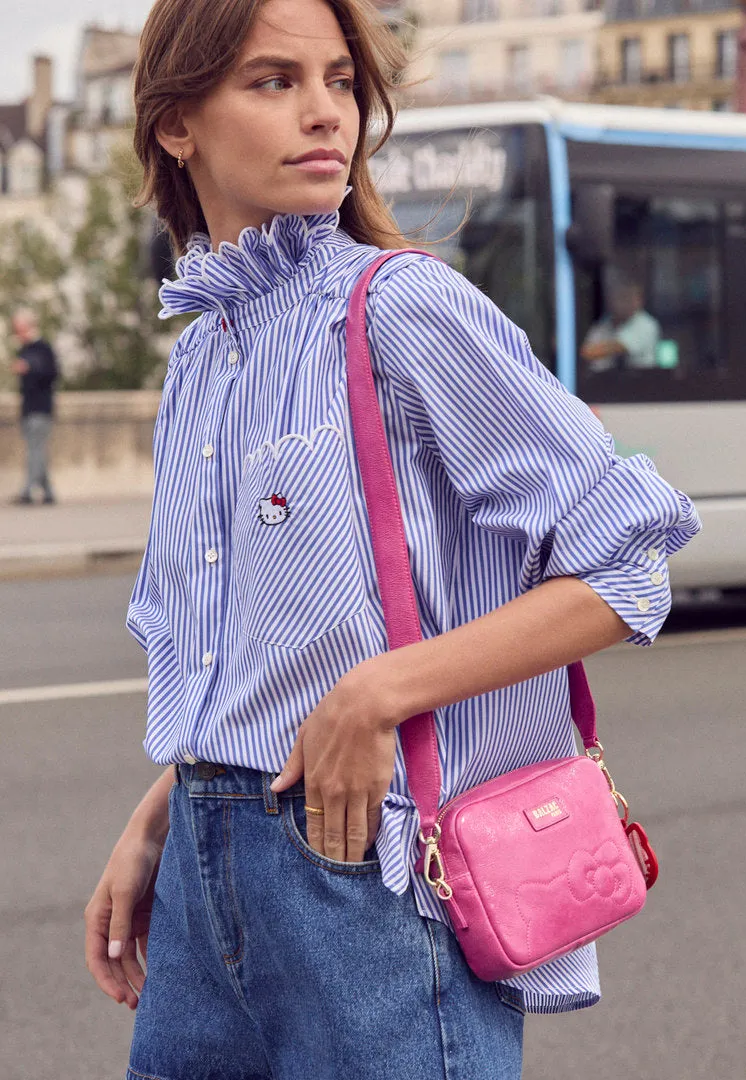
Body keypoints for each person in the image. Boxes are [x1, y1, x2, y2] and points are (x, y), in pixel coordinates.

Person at [83, 1, 701, 1077]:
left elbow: (626, 559)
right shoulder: (203, 353)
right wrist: (161, 820)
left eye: (338, 80)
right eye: (274, 82)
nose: (326, 113)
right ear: (176, 123)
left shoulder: (400, 308)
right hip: (204, 870)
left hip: (367, 873)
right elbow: (250, 655)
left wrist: (378, 694)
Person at [9, 308, 58, 505]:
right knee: (37, 449)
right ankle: (48, 492)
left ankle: (28, 490)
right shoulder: (25, 349)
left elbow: (51, 374)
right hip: (29, 407)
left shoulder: (43, 348)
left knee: (35, 450)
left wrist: (29, 368)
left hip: (41, 408)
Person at [580, 277, 661, 373]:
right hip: (602, 381)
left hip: (639, 383)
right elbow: (586, 351)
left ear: (640, 301)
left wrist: (585, 352)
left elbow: (616, 347)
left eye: (632, 297)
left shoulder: (646, 324)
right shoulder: (604, 324)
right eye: (622, 297)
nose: (628, 302)